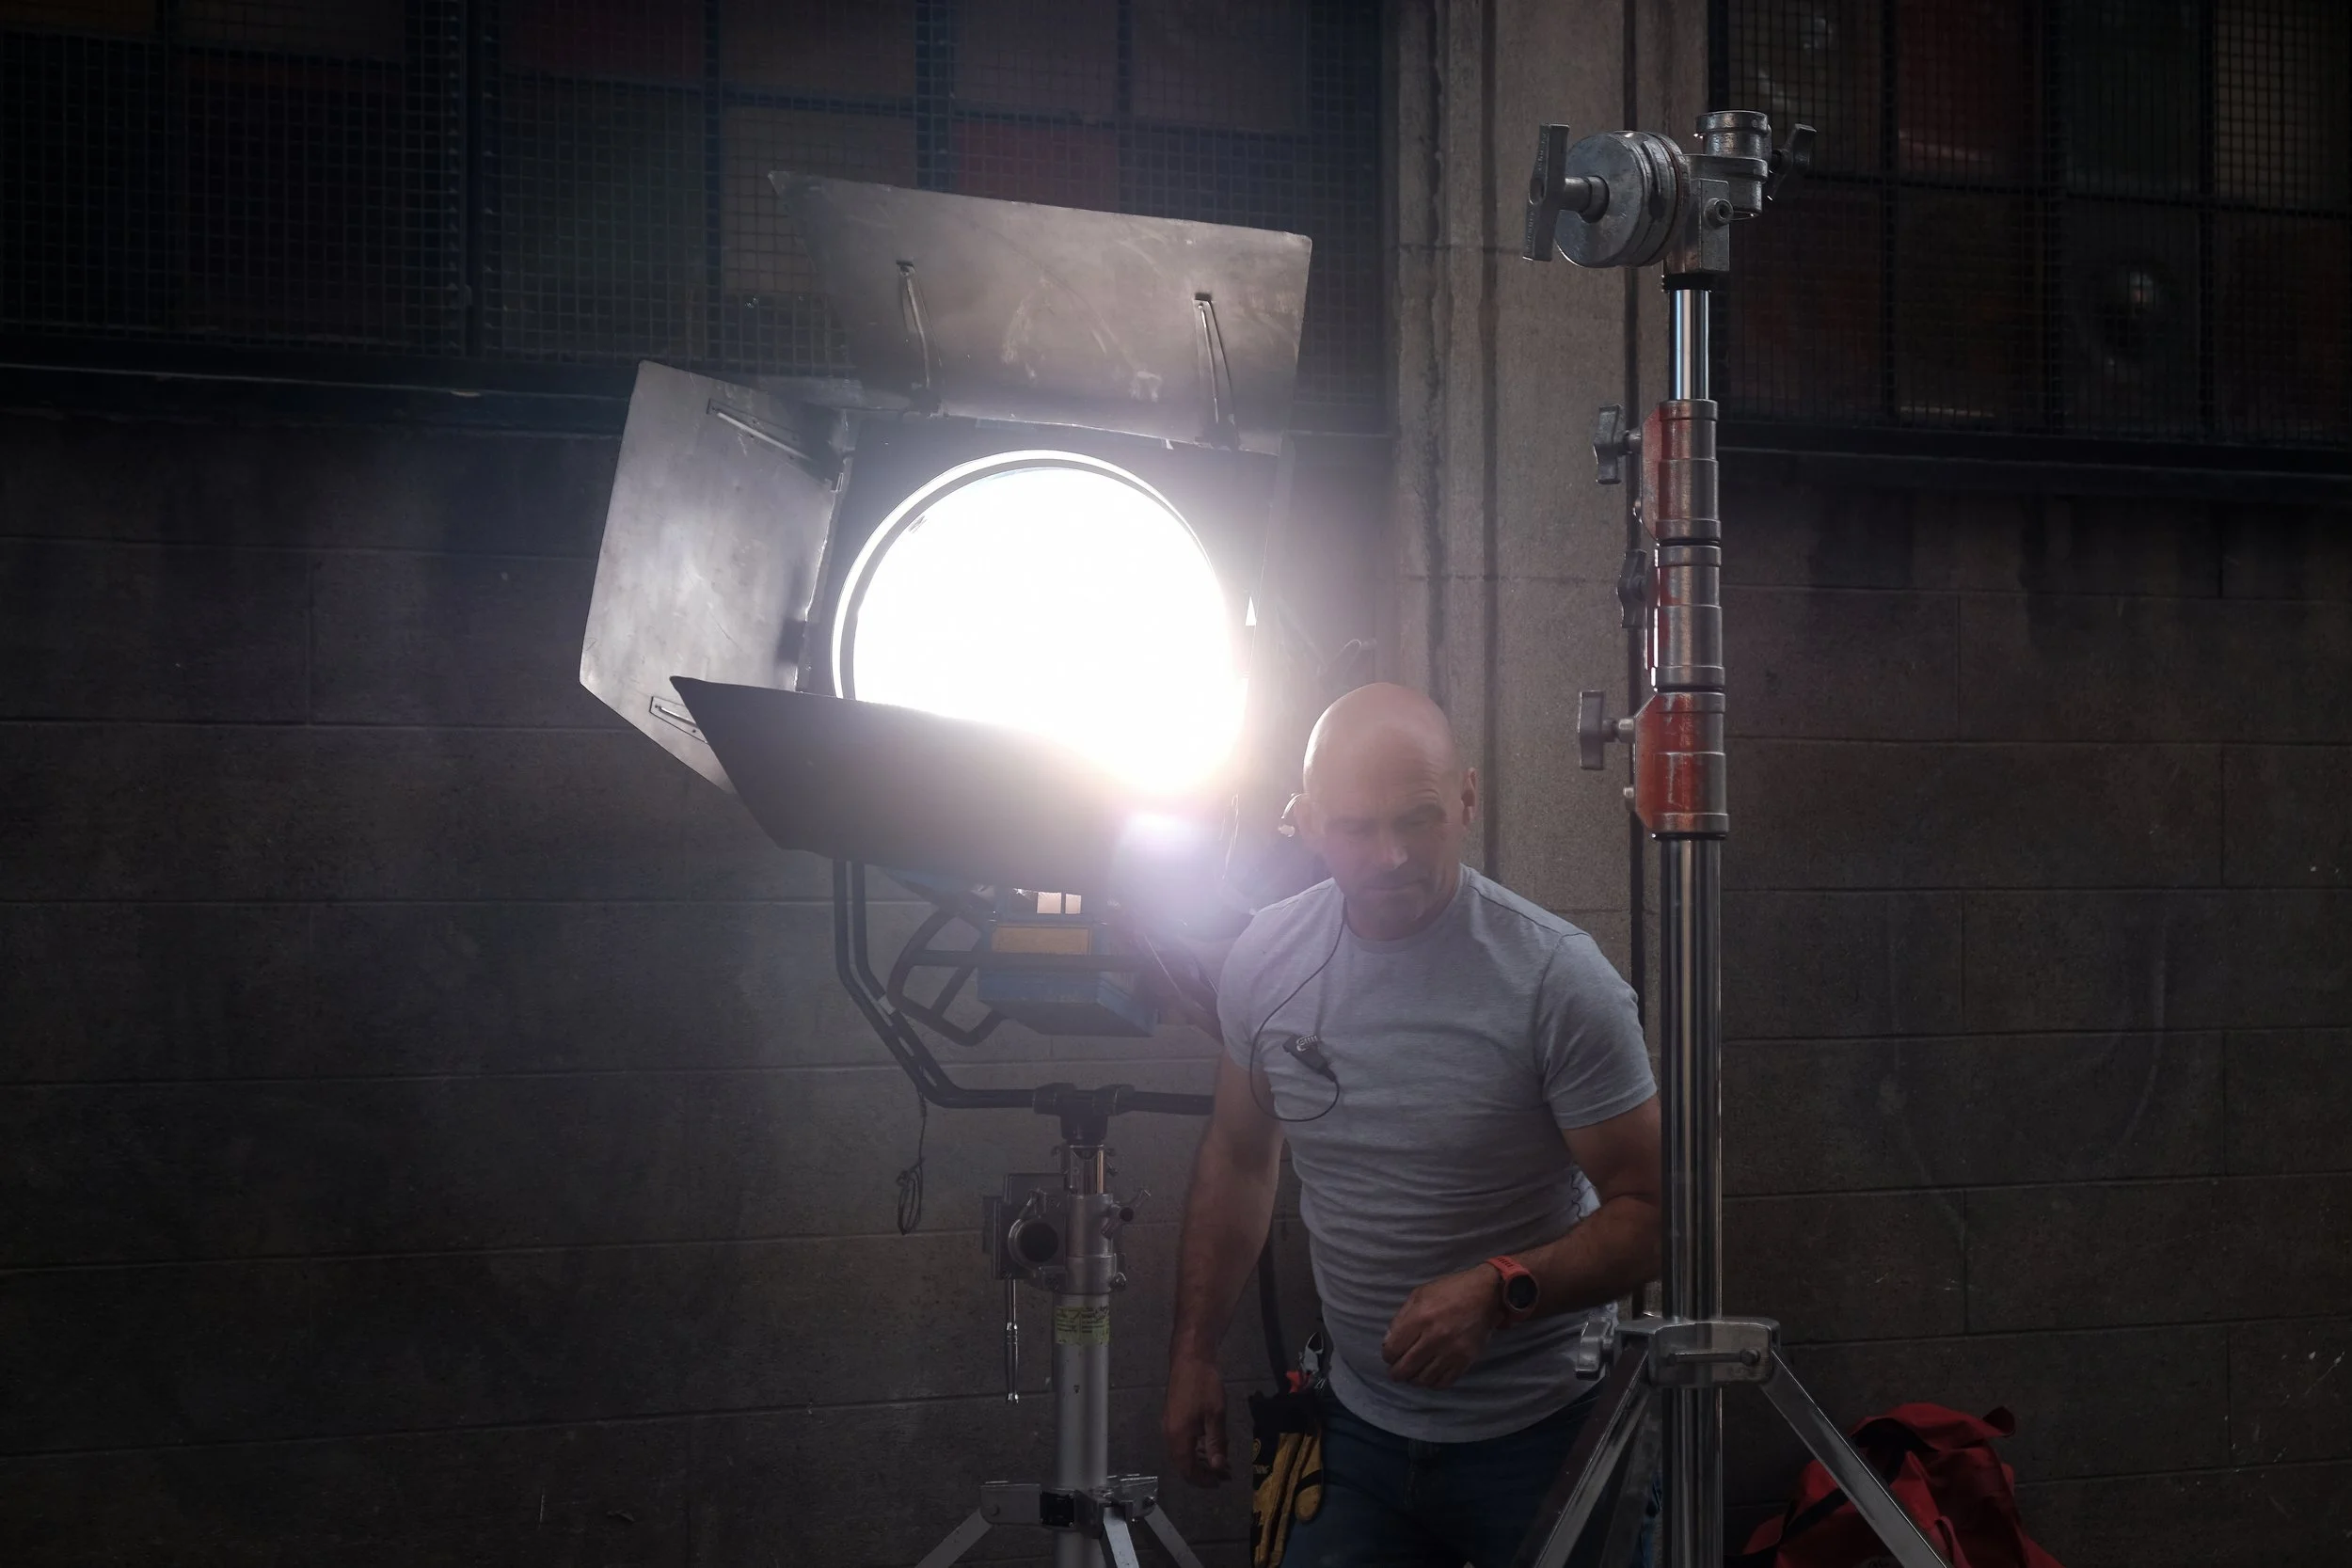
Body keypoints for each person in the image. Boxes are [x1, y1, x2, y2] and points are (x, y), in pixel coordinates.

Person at [1161, 682, 1662, 1568]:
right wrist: (1195, 1351)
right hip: (1358, 1433)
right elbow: (1240, 1160)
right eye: (1355, 827)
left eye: (1419, 817)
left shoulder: (1557, 981)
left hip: (1549, 1428)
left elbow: (1656, 1211)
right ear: (1308, 822)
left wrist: (1502, 1289)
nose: (1389, 855)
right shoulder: (1267, 961)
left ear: (1467, 798)